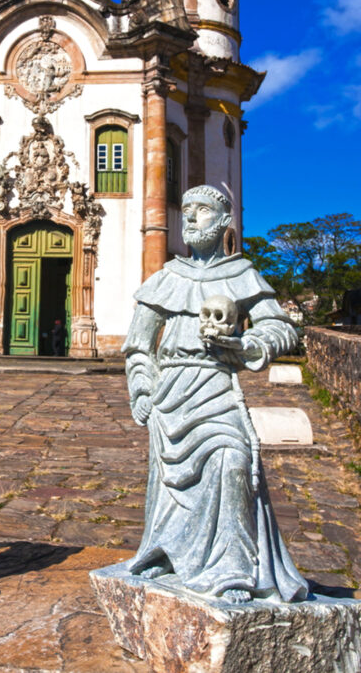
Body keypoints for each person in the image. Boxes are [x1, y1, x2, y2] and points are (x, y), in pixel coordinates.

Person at [123, 185, 308, 604]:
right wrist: (142, 389)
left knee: (232, 461)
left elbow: (280, 328)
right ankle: (169, 552)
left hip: (215, 385)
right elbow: (138, 345)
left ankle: (230, 569)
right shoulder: (167, 278)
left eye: (202, 210)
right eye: (185, 210)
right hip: (171, 393)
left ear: (225, 222)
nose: (189, 218)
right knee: (172, 484)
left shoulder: (241, 274)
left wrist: (243, 345)